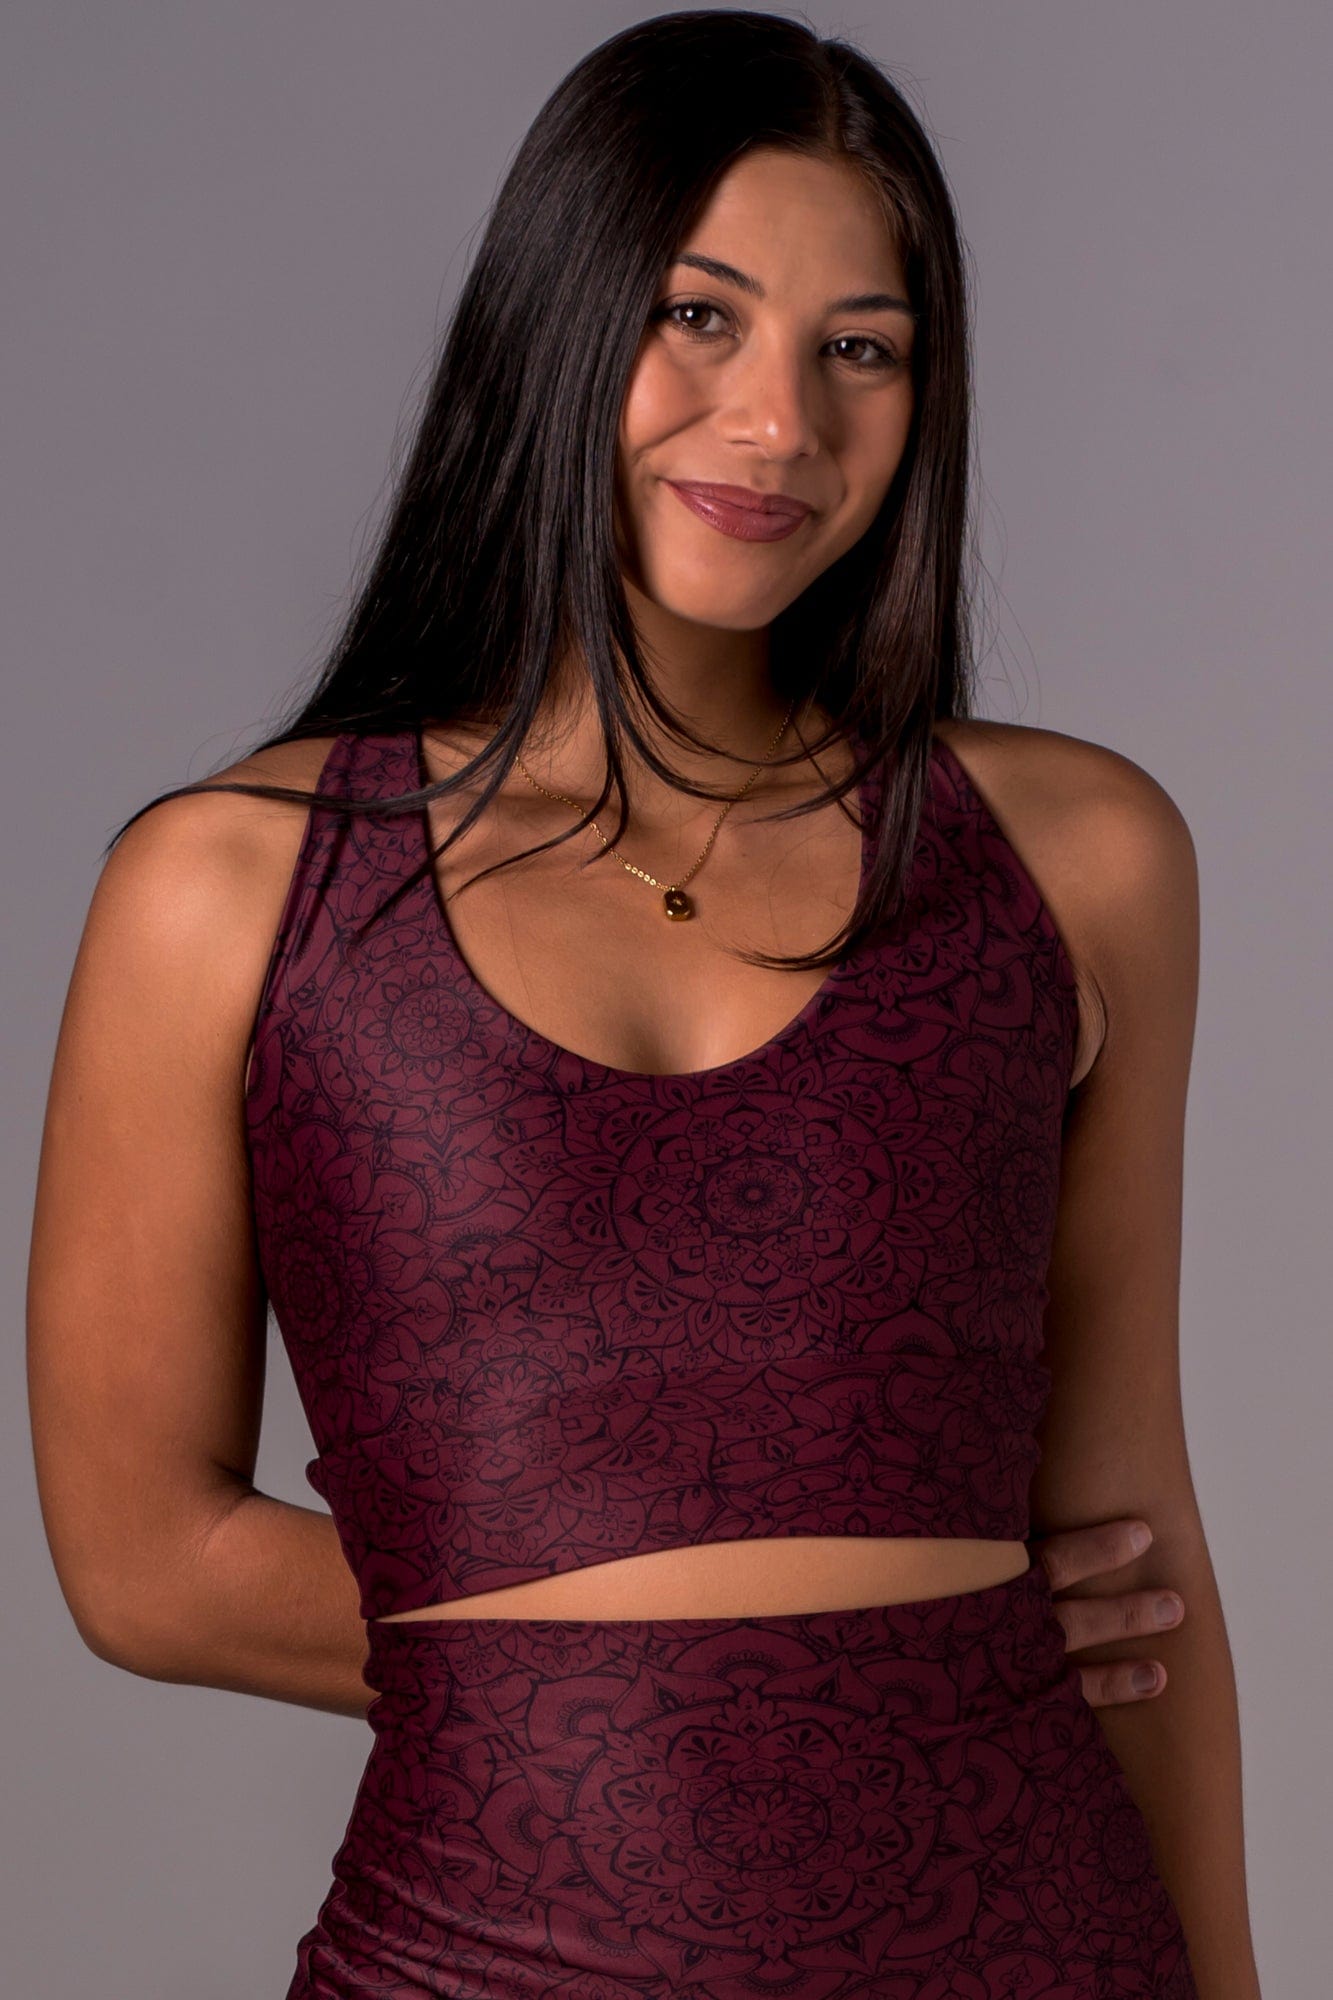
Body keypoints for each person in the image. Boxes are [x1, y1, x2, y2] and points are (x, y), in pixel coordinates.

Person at [26, 12, 1259, 1998]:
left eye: (860, 348)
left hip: (1037, 1938)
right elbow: (142, 1565)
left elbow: (1130, 1536)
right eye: (699, 317)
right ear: (557, 319)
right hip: (488, 1954)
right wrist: (781, 1664)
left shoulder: (1073, 856)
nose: (777, 421)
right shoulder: (233, 886)